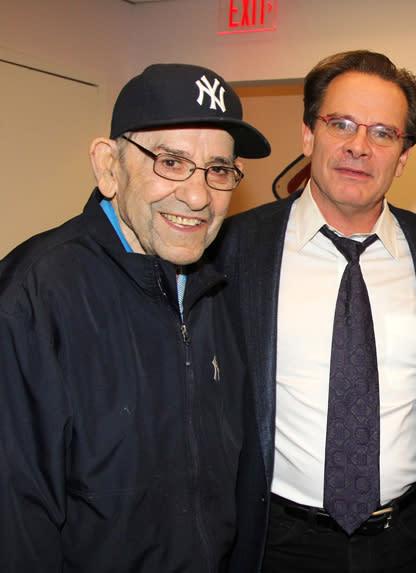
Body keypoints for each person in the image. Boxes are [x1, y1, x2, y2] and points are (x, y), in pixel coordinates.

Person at [212, 50, 416, 573]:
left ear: (402, 157)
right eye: (342, 124)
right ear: (309, 135)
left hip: (408, 542)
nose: (359, 146)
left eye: (383, 133)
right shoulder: (234, 250)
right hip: (275, 540)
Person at [0, 63, 271, 570]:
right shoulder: (35, 297)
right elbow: (16, 520)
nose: (197, 196)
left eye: (218, 169)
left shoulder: (213, 292)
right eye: (171, 161)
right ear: (108, 166)